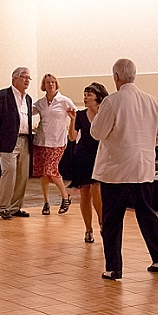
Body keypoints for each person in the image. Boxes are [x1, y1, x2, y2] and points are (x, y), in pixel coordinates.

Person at [90, 58, 158, 280]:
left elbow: (97, 133)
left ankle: (114, 267)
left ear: (116, 77)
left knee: (112, 220)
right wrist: (142, 144)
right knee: (147, 215)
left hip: (116, 169)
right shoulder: (151, 100)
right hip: (142, 167)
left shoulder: (112, 101)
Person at [0, 67, 33, 220]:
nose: (27, 80)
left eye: (29, 78)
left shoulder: (28, 99)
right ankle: (4, 207)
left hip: (25, 140)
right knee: (9, 172)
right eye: (24, 77)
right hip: (7, 141)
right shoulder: (2, 96)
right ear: (14, 79)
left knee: (22, 176)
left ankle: (15, 207)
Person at [67, 82, 109, 243]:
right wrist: (72, 120)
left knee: (96, 188)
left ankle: (102, 223)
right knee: (84, 193)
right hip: (82, 156)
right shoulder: (80, 115)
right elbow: (72, 137)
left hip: (99, 155)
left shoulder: (105, 114)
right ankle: (88, 229)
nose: (85, 98)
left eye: (89, 95)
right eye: (84, 95)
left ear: (97, 97)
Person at [32, 74, 77, 215]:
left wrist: (73, 124)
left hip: (57, 141)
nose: (50, 84)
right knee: (43, 174)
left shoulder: (64, 101)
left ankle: (65, 197)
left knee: (51, 170)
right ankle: (46, 202)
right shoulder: (40, 103)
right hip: (41, 141)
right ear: (43, 85)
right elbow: (26, 113)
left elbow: (76, 115)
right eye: (47, 82)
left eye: (53, 82)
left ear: (56, 84)